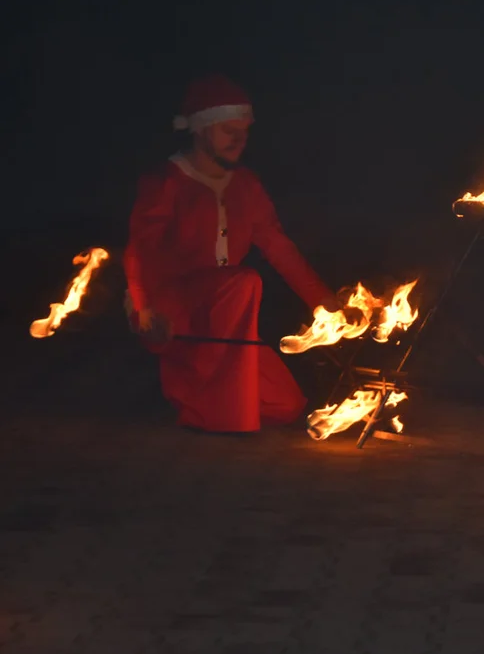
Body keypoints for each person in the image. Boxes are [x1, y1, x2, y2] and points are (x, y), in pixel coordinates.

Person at [123, 74, 347, 433]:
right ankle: (224, 418)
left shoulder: (246, 185)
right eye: (228, 129)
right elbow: (141, 248)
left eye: (244, 130)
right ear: (200, 129)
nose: (239, 139)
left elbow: (278, 246)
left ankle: (203, 390)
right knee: (242, 281)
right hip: (174, 309)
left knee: (286, 406)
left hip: (228, 317)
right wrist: (144, 305)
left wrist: (325, 302)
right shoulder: (166, 181)